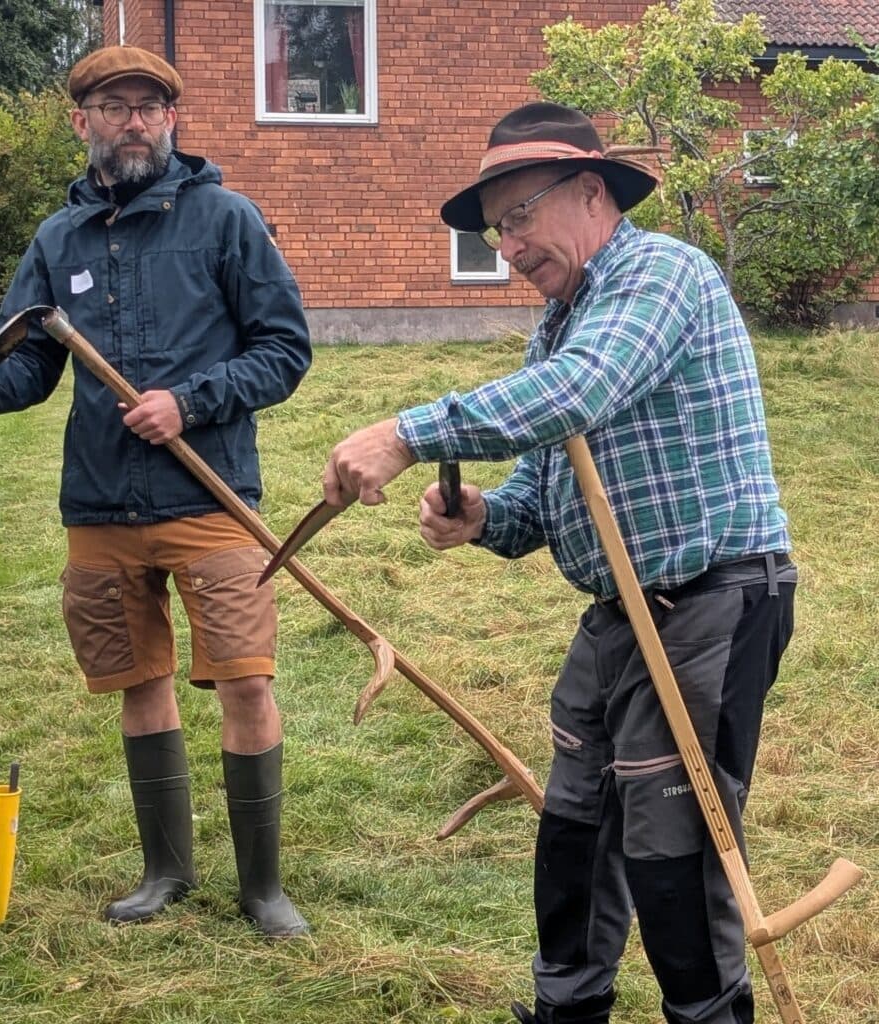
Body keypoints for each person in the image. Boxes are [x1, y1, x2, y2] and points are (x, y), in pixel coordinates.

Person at [320, 103, 796, 1022]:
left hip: (713, 598)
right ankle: (569, 1011)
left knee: (673, 849)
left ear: (589, 192)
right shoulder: (561, 321)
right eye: (496, 229)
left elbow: (578, 394)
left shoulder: (663, 275)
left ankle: (708, 1015)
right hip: (622, 610)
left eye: (519, 218)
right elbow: (544, 495)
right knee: (574, 829)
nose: (507, 246)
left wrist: (409, 434)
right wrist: (482, 516)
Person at [0, 45, 313, 938]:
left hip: (210, 498)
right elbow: (23, 367)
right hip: (100, 505)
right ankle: (165, 871)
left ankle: (262, 888)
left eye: (149, 106)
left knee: (247, 681)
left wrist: (193, 401)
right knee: (140, 680)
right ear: (82, 121)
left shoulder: (226, 220)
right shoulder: (58, 242)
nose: (134, 120)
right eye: (114, 105)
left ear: (172, 120)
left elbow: (286, 350)